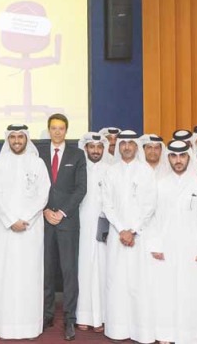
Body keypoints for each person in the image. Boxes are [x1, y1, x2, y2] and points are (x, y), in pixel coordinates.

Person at [0, 124, 50, 340]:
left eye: (20, 137)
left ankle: (30, 326)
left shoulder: (38, 163)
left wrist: (25, 218)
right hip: (3, 231)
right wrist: (10, 220)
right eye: (12, 137)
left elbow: (43, 194)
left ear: (26, 139)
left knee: (29, 277)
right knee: (3, 276)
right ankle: (3, 326)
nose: (16, 141)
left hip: (29, 230)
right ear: (8, 139)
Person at [147, 140, 197, 344]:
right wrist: (155, 245)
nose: (178, 160)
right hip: (165, 247)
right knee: (165, 291)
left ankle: (191, 335)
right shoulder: (159, 185)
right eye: (174, 156)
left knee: (191, 291)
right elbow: (153, 218)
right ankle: (165, 334)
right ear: (169, 159)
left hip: (192, 248)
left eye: (182, 156)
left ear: (188, 158)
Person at [100, 131, 157, 343]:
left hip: (140, 236)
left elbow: (150, 205)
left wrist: (133, 230)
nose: (126, 147)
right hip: (117, 235)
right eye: (122, 143)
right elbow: (107, 204)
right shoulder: (111, 172)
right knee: (116, 282)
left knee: (139, 282)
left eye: (130, 143)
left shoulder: (146, 171)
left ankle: (140, 330)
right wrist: (122, 229)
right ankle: (117, 329)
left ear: (136, 147)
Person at [34, 114, 86, 340]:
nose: (57, 132)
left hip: (67, 222)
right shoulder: (38, 154)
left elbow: (81, 188)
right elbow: (34, 186)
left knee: (68, 271)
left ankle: (70, 318)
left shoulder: (78, 154)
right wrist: (44, 210)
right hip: (43, 221)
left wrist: (61, 212)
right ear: (48, 130)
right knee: (45, 270)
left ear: (66, 130)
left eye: (61, 128)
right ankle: (46, 315)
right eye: (53, 128)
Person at [73, 132, 109, 332]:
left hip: (104, 226)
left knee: (103, 270)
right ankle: (84, 315)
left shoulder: (110, 170)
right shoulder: (79, 168)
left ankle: (102, 316)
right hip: (81, 227)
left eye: (99, 147)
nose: (95, 151)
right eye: (91, 147)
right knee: (83, 270)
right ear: (85, 148)